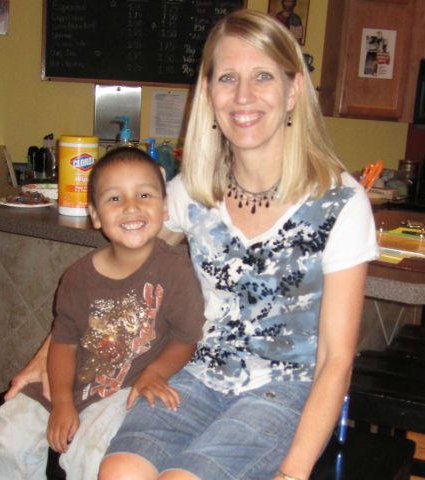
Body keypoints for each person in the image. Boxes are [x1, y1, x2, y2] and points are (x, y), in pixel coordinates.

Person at [99, 9, 378, 480]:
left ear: (293, 92)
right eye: (228, 77)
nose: (243, 96)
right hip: (198, 378)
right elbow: (117, 271)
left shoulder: (341, 204)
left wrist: (294, 471)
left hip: (287, 395)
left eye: (263, 76)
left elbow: (336, 360)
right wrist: (48, 359)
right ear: (207, 93)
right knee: (118, 474)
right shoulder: (193, 191)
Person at [0, 147, 206, 479]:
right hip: (70, 383)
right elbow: (63, 343)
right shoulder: (76, 276)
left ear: (164, 207)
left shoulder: (177, 272)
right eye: (115, 199)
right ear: (95, 214)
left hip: (123, 390)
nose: (132, 207)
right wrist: (61, 401)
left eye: (144, 195)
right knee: (6, 433)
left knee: (91, 457)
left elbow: (185, 338)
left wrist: (157, 372)